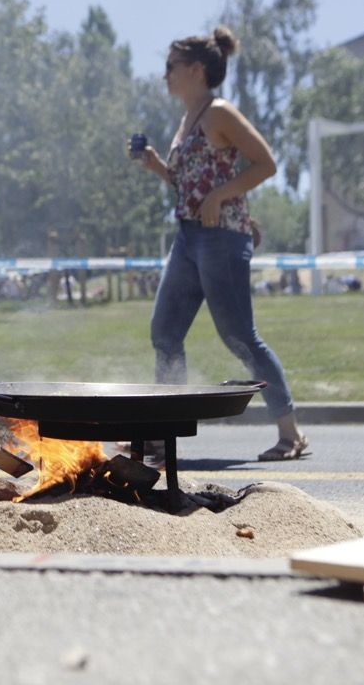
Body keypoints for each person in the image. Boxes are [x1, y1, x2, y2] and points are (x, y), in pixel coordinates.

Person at [133, 26, 307, 462]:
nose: (164, 75)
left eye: (170, 66)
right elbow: (188, 181)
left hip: (222, 239)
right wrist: (156, 165)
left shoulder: (219, 112)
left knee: (238, 335)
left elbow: (265, 162)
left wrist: (221, 196)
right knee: (166, 332)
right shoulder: (188, 118)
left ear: (196, 70)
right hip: (189, 238)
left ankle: (292, 434)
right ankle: (162, 434)